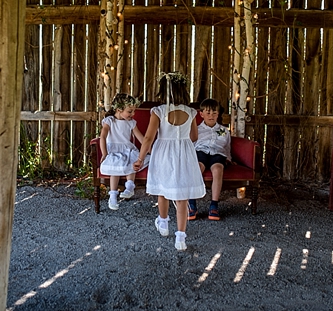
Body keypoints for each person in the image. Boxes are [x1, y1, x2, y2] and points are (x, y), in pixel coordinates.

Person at [133, 73, 204, 251]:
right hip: (185, 153)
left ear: (163, 91)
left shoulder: (159, 111)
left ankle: (163, 223)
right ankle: (180, 238)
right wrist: (181, 141)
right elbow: (194, 136)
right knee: (182, 196)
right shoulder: (191, 112)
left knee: (163, 188)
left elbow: (148, 138)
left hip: (164, 152)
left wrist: (140, 159)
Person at [191, 98, 236, 221]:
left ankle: (214, 205)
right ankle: (192, 203)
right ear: (201, 114)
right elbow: (192, 144)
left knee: (217, 169)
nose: (211, 116)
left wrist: (229, 158)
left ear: (218, 114)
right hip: (201, 152)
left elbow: (226, 147)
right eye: (208, 113)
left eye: (214, 113)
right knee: (197, 168)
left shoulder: (223, 130)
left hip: (217, 153)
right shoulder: (196, 129)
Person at [98, 94, 142, 210]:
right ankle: (113, 195)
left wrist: (150, 150)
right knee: (115, 166)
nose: (133, 114)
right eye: (130, 111)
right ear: (119, 110)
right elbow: (103, 137)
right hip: (114, 150)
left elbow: (141, 139)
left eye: (134, 111)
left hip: (127, 148)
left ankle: (130, 187)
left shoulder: (131, 122)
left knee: (132, 161)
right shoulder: (109, 121)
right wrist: (104, 153)